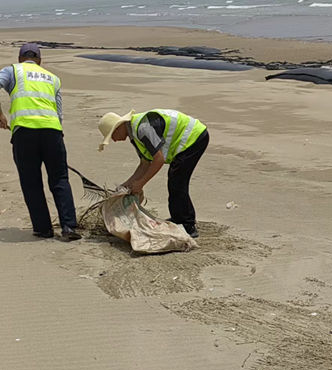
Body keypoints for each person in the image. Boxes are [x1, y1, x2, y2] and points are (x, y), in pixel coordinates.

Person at [0, 42, 80, 240]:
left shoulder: (13, 71)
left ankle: (43, 229)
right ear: (40, 61)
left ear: (20, 59)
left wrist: (0, 114)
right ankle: (69, 227)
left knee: (31, 182)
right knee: (60, 179)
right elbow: (58, 112)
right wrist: (58, 139)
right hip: (52, 132)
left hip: (24, 133)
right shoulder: (53, 78)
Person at [97, 109, 209, 238]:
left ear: (118, 128)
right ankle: (180, 218)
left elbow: (158, 160)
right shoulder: (134, 135)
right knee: (175, 180)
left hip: (194, 138)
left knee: (177, 182)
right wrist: (127, 184)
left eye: (111, 136)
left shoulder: (142, 129)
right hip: (189, 139)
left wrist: (140, 184)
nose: (114, 140)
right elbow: (145, 163)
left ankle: (187, 225)